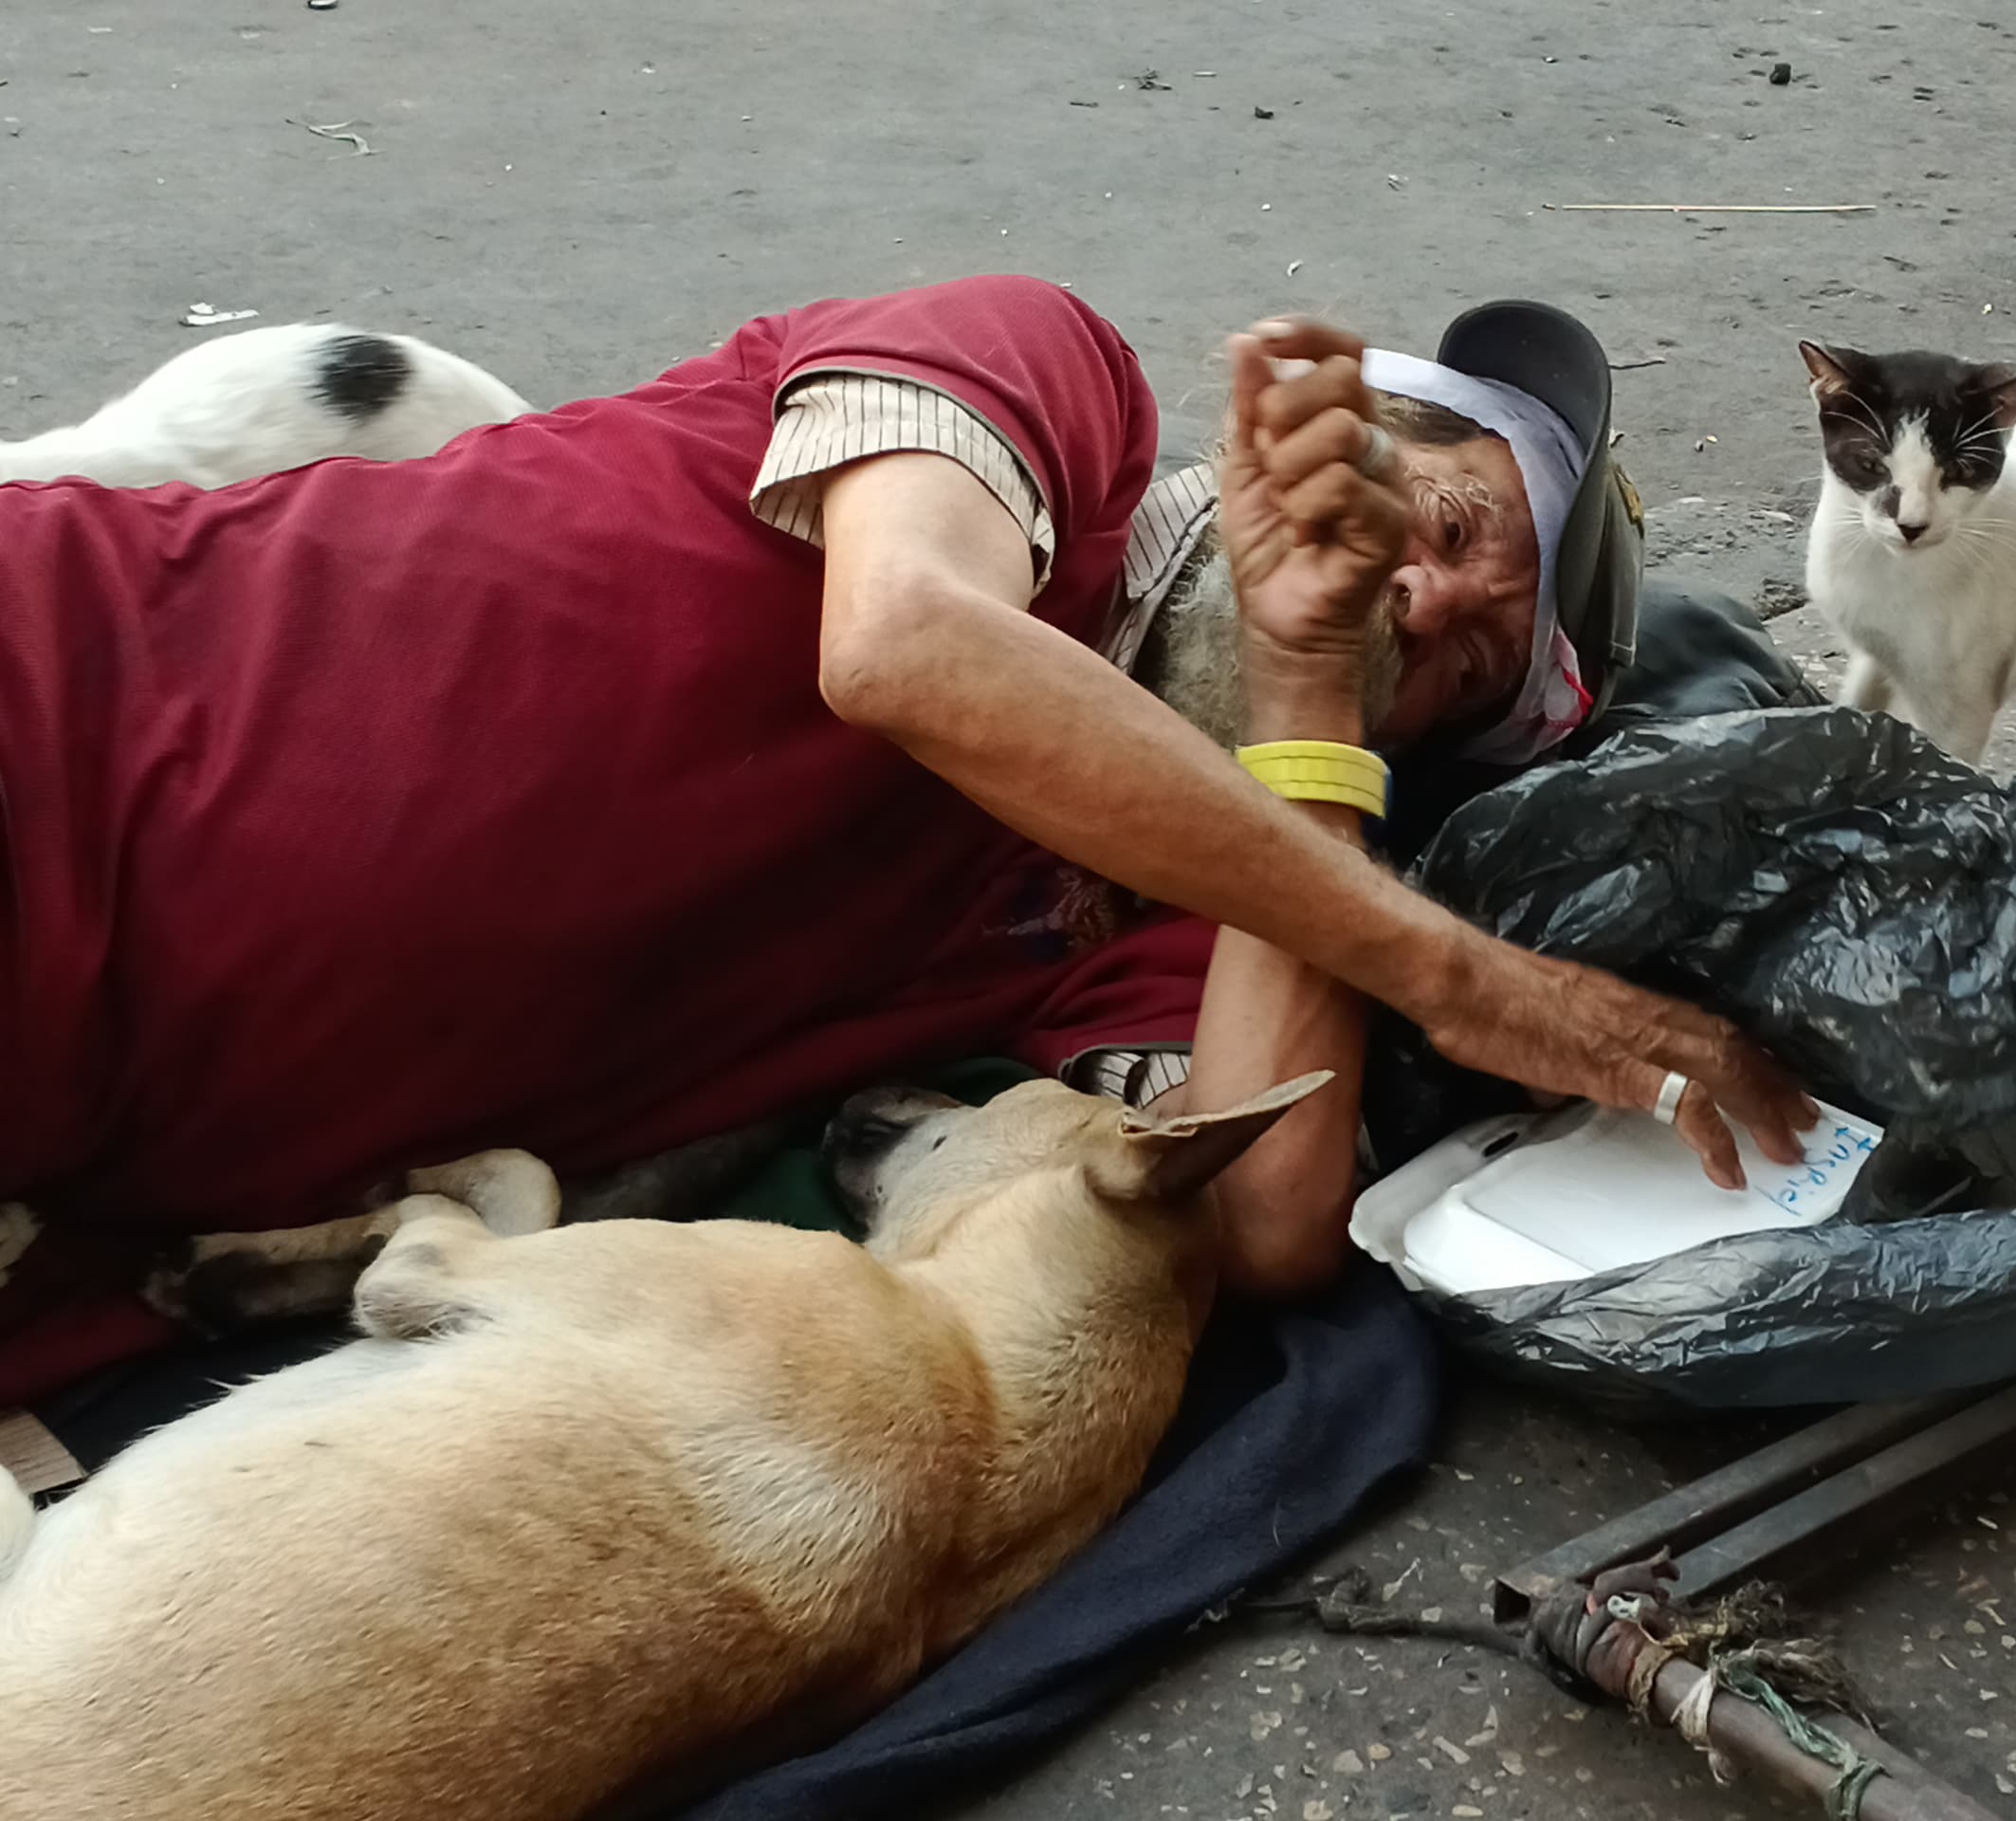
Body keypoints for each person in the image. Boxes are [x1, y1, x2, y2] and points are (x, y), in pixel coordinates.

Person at [0, 276, 1811, 1404]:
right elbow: (906, 651)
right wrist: (1447, 968)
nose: (1425, 593)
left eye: (1474, 654)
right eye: (1448, 509)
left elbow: (1265, 1225)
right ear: (1319, 429)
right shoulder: (1046, 378)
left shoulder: (1169, 907)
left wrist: (1309, 715)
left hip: (82, 1162)